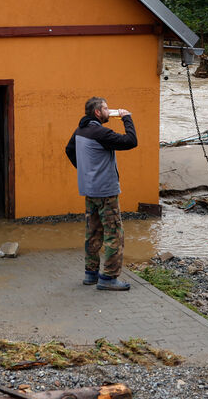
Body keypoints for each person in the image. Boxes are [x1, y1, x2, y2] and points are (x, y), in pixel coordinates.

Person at [65, 96, 137, 291]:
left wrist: (85, 171)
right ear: (97, 112)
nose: (109, 111)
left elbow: (69, 149)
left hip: (89, 189)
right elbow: (131, 141)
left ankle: (91, 274)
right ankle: (109, 278)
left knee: (93, 232)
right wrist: (127, 118)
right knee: (114, 233)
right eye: (106, 108)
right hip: (106, 191)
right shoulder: (100, 132)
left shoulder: (81, 130)